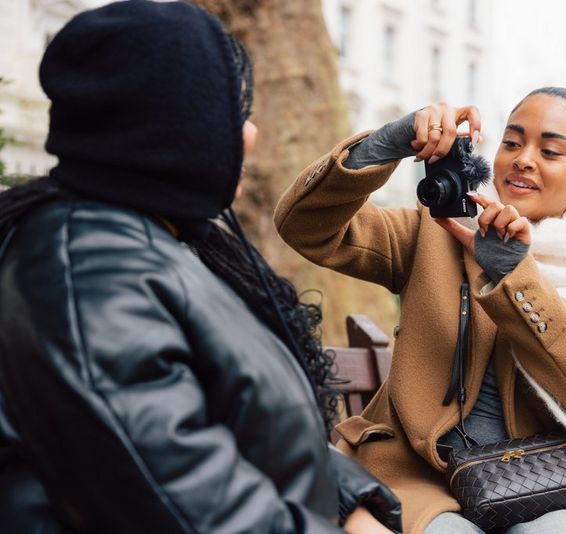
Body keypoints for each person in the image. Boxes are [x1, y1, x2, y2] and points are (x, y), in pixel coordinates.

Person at [0, 2, 402, 532]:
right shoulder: (87, 278)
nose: (251, 135)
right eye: (233, 113)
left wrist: (353, 501)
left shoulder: (158, 245)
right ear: (169, 125)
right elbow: (190, 510)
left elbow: (249, 431)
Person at [273, 88, 566, 534]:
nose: (523, 159)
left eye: (551, 150)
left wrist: (513, 275)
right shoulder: (439, 229)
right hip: (413, 474)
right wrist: (386, 144)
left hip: (536, 481)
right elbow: (306, 227)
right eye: (512, 142)